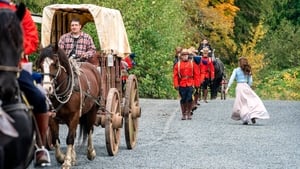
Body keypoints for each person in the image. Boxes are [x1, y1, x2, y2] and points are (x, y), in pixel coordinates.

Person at [0, 0, 51, 166]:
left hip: (15, 66)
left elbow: (32, 38)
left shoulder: (21, 11)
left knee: (37, 97)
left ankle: (40, 146)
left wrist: (16, 49)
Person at [225, 57, 270, 125]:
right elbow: (250, 81)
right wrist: (248, 86)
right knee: (251, 101)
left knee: (241, 103)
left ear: (239, 63)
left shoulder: (236, 70)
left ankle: (245, 118)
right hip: (246, 86)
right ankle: (253, 114)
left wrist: (227, 88)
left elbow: (232, 79)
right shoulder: (248, 70)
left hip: (239, 87)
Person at [173, 48, 200, 120]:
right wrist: (176, 84)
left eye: (186, 55)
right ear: (181, 56)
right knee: (183, 99)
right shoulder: (177, 65)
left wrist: (197, 84)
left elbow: (196, 74)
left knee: (189, 98)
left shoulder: (192, 64)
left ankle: (189, 112)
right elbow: (175, 76)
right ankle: (183, 113)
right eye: (183, 55)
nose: (185, 57)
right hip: (182, 83)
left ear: (188, 56)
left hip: (190, 83)